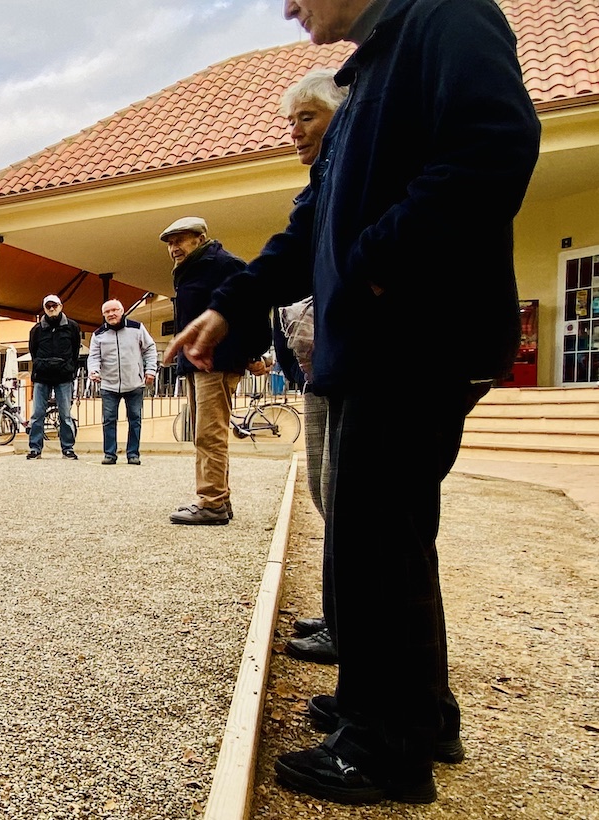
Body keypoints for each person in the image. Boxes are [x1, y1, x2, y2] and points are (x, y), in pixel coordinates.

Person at [167, 0, 540, 804]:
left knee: (375, 537)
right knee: (388, 538)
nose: (288, 6)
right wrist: (232, 303)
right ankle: (409, 706)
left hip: (413, 339)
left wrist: (378, 257)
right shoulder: (369, 69)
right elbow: (303, 239)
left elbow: (495, 147)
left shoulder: (448, 19)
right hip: (378, 345)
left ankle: (385, 747)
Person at [273, 68, 349, 668]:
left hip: (360, 361)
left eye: (308, 118)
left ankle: (355, 633)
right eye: (290, 121)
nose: (295, 132)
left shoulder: (352, 172)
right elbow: (295, 253)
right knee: (328, 493)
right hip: (324, 362)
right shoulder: (321, 182)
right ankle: (343, 614)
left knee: (356, 505)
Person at [161, 217, 270, 524]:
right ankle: (218, 497)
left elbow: (253, 308)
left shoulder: (224, 265)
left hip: (218, 361)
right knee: (204, 433)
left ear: (200, 237)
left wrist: (253, 353)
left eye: (180, 240)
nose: (173, 248)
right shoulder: (190, 270)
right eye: (170, 243)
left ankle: (212, 502)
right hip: (198, 364)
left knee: (209, 434)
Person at [86, 299, 157, 465]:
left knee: (135, 419)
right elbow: (94, 357)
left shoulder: (137, 328)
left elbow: (150, 349)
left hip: (135, 383)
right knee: (109, 420)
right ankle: (110, 454)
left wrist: (151, 370)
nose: (111, 314)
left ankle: (133, 454)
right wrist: (93, 371)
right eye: (107, 312)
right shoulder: (98, 334)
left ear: (122, 310)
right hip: (109, 385)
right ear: (103, 315)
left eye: (114, 310)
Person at [26, 294, 81, 460]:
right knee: (37, 414)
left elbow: (75, 351)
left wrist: (69, 368)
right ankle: (35, 448)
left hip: (64, 377)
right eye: (48, 306)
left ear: (61, 306)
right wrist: (40, 366)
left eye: (54, 305)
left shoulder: (72, 327)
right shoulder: (36, 330)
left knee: (65, 414)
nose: (51, 309)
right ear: (44, 308)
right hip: (42, 377)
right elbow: (33, 351)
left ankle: (68, 448)